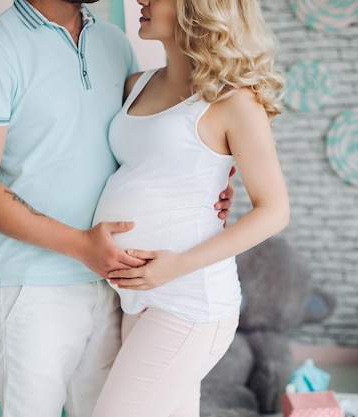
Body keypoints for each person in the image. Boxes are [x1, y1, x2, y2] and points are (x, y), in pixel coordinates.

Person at [0, 1, 234, 416]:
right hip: (32, 286)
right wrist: (82, 245)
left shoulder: (115, 44)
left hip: (114, 285)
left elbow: (140, 146)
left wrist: (211, 180)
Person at [88, 0, 290, 415]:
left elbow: (274, 210)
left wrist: (175, 265)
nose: (141, 1)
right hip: (138, 295)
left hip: (189, 299)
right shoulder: (136, 86)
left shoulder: (235, 101)